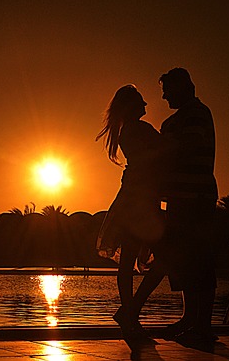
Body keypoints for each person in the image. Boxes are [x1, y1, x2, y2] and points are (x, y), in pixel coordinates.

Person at [96, 85, 166, 340]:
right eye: (141, 101)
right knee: (164, 259)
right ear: (131, 106)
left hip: (133, 199)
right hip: (141, 202)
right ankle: (130, 312)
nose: (146, 105)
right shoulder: (139, 129)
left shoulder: (127, 131)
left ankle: (129, 312)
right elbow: (160, 153)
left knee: (127, 262)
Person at [156, 68, 218, 348]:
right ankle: (190, 318)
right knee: (184, 260)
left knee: (199, 260)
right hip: (180, 198)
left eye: (167, 90)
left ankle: (201, 323)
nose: (164, 96)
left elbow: (186, 146)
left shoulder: (195, 114)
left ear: (182, 87)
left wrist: (161, 145)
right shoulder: (175, 120)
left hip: (196, 197)